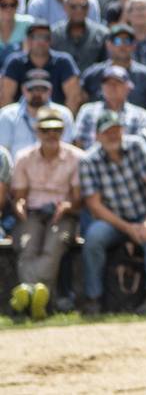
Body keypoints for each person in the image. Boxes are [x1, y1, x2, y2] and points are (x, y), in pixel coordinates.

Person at [78, 109, 146, 315]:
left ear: (122, 130)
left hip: (145, 213)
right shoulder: (88, 160)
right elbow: (95, 206)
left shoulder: (137, 146)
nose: (112, 135)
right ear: (97, 136)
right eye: (107, 131)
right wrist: (128, 229)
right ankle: (94, 298)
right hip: (113, 221)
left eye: (116, 130)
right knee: (93, 238)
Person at [9, 109, 80, 318]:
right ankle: (38, 296)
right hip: (32, 212)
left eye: (56, 130)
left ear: (63, 131)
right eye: (46, 130)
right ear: (37, 132)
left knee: (53, 247)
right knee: (26, 245)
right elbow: (20, 197)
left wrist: (66, 206)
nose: (52, 135)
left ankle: (26, 294)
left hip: (63, 214)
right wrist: (19, 207)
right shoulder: (23, 158)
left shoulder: (76, 157)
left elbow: (79, 199)